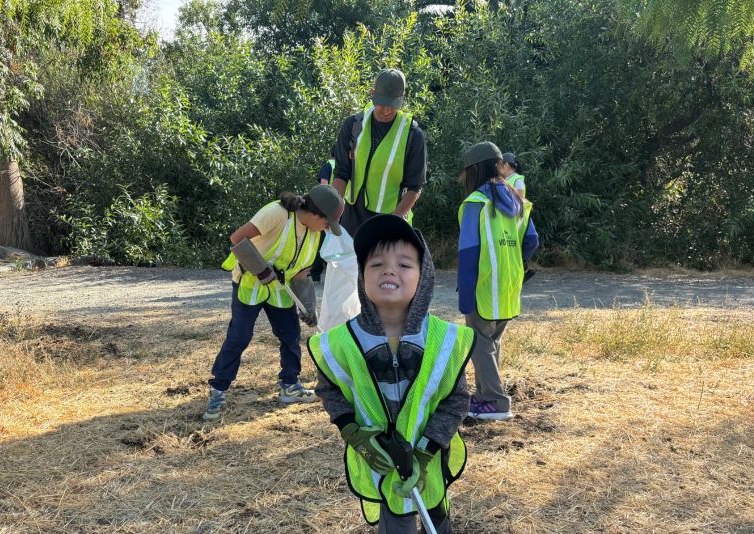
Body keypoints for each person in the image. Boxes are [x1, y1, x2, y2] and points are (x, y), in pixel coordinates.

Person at [308, 214, 474, 534]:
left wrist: (425, 452)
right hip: (380, 462)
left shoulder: (444, 340)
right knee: (395, 519)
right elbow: (330, 390)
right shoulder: (341, 342)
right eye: (376, 263)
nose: (389, 269)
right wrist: (354, 434)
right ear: (362, 276)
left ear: (423, 276)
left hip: (431, 456)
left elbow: (456, 399)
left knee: (436, 514)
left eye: (404, 264)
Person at [203, 185, 344, 420]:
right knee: (239, 336)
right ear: (315, 214)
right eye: (327, 223)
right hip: (250, 284)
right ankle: (218, 389)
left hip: (279, 290)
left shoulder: (314, 233)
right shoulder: (276, 214)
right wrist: (261, 270)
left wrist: (309, 307)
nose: (328, 229)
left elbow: (302, 274)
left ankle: (290, 386)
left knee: (290, 335)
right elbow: (237, 239)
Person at [458, 142, 539, 421]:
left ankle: (496, 401)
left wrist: (465, 292)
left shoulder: (475, 204)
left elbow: (469, 252)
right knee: (490, 342)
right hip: (509, 285)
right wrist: (514, 263)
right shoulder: (518, 202)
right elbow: (531, 241)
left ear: (473, 172)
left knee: (479, 343)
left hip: (482, 285)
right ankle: (483, 398)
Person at [332, 68, 427, 236]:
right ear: (372, 93)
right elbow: (341, 172)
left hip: (389, 219)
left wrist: (393, 221)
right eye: (382, 103)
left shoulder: (413, 135)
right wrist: (334, 209)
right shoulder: (353, 125)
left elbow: (415, 187)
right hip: (351, 217)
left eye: (393, 104)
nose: (386, 110)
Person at [310, 154, 336, 281]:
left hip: (328, 209)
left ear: (330, 154)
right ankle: (333, 274)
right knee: (335, 241)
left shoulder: (328, 166)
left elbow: (323, 186)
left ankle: (315, 274)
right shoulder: (347, 166)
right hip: (343, 209)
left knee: (321, 240)